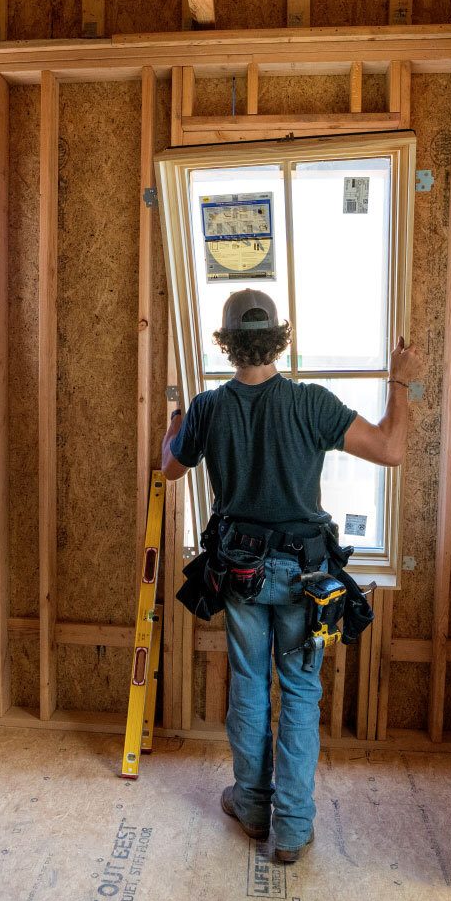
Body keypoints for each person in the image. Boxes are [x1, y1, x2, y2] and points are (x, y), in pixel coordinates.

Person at [163, 289, 417, 863]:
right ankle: (294, 829)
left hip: (241, 572)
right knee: (300, 691)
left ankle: (252, 807)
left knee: (249, 685)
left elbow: (169, 468)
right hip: (307, 575)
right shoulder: (311, 404)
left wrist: (173, 426)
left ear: (227, 344)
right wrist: (400, 382)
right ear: (279, 335)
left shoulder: (208, 409)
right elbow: (392, 448)